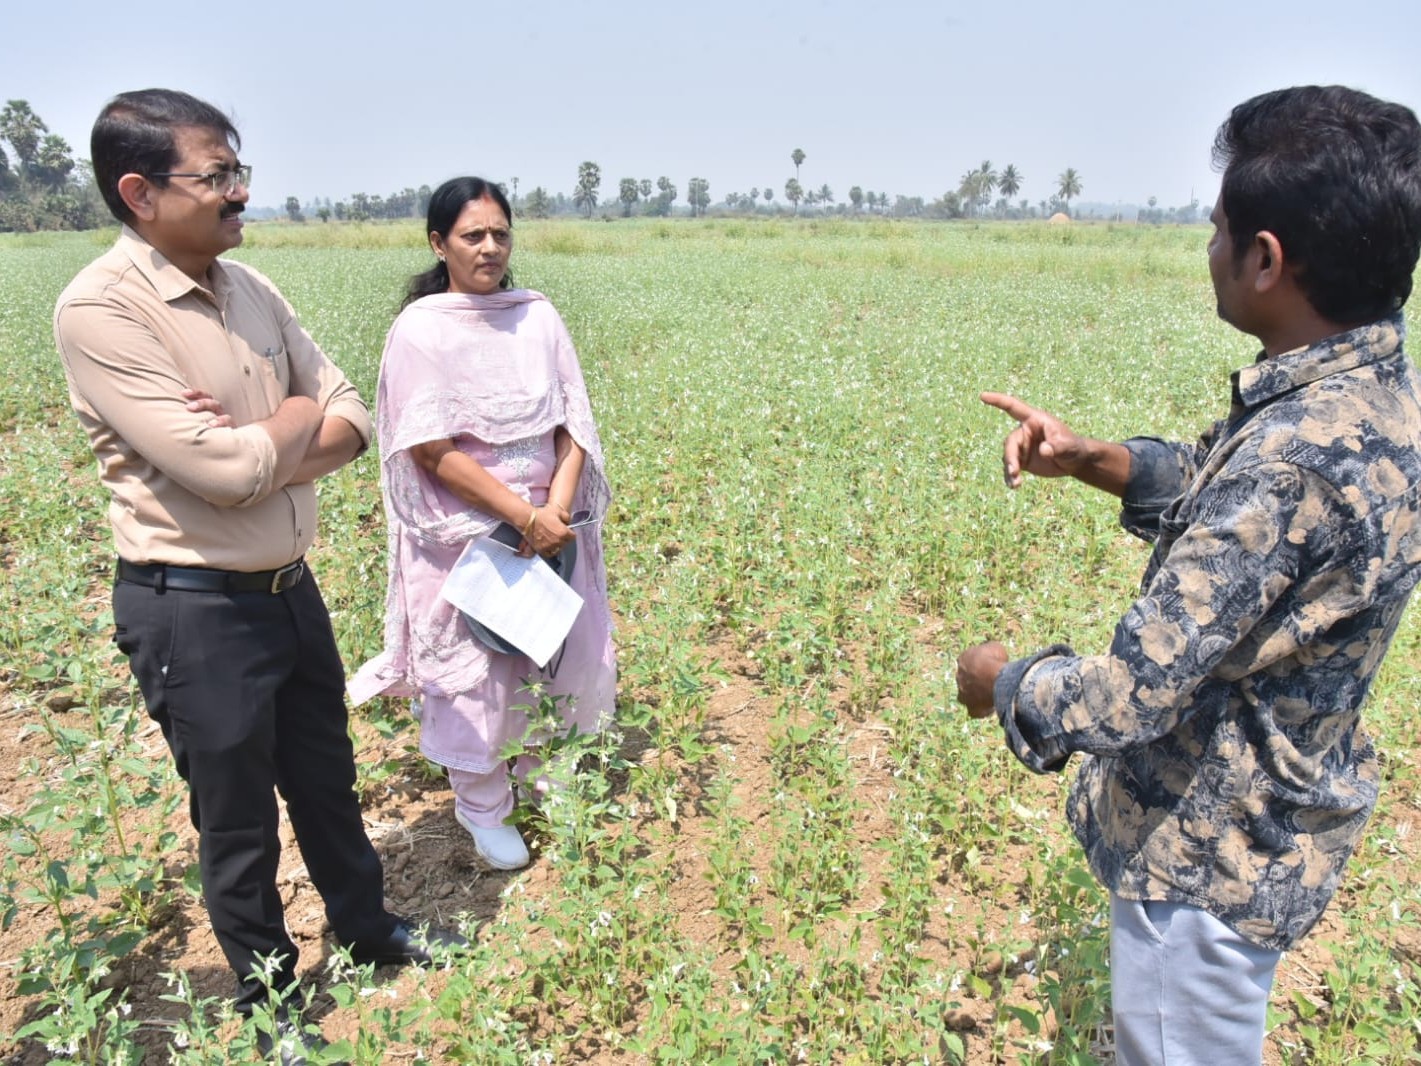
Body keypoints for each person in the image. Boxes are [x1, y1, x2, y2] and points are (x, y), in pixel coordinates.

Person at [955, 84, 1421, 1065]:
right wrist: (1089, 457)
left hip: (1207, 863)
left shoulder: (1290, 464)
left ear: (1265, 260)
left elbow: (1127, 699)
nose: (1205, 249)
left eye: (1215, 229)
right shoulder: (1366, 397)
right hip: (1276, 829)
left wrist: (1001, 682)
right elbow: (1222, 497)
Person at [52, 89, 464, 1060]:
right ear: (139, 193)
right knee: (234, 821)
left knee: (328, 780)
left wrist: (265, 432)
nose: (240, 193)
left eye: (241, 170)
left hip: (287, 588)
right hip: (189, 608)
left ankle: (367, 932)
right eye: (218, 175)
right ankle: (271, 1001)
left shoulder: (252, 289)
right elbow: (224, 474)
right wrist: (287, 418)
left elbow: (351, 416)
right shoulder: (101, 311)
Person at [350, 176, 616, 872]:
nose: (490, 247)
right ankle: (482, 804)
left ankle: (546, 774)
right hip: (466, 532)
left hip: (551, 526)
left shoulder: (538, 316)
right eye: (473, 235)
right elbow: (431, 450)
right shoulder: (421, 330)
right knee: (480, 668)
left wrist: (554, 510)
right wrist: (521, 514)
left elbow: (574, 424)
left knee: (554, 652)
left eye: (500, 234)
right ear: (439, 244)